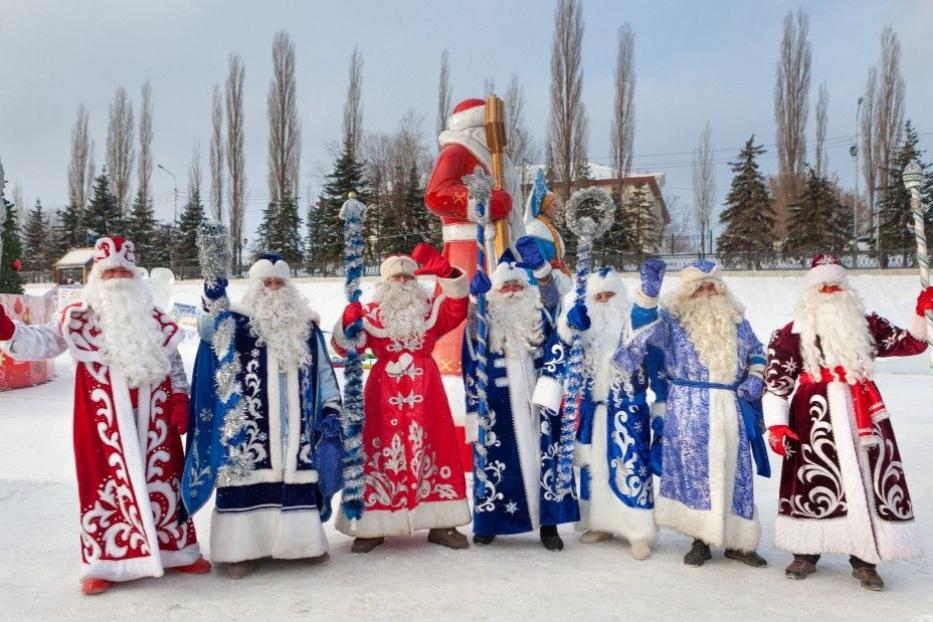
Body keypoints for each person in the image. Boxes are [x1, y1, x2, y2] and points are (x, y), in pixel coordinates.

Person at [0, 236, 208, 595]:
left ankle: (178, 553)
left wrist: (180, 398)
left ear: (135, 277)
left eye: (123, 272)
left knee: (166, 483)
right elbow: (40, 343)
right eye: (109, 273)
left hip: (155, 422)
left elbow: (173, 362)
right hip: (102, 425)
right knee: (104, 487)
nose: (117, 279)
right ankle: (106, 563)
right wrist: (8, 332)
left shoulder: (156, 318)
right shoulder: (77, 318)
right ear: (96, 277)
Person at [763, 254, 932, 591]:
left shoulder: (867, 323)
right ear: (811, 292)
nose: (830, 290)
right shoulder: (789, 333)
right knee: (813, 479)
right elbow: (775, 385)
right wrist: (777, 426)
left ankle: (866, 558)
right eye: (823, 285)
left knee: (869, 480)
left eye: (836, 284)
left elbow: (912, 343)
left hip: (864, 413)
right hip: (813, 415)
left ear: (845, 288)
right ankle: (806, 551)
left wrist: (923, 312)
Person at [182, 253, 343, 579]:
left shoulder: (306, 328)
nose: (272, 288)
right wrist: (212, 298)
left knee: (295, 479)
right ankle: (241, 552)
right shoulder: (237, 324)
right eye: (266, 282)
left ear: (288, 286)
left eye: (278, 282)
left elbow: (324, 373)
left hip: (295, 431)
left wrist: (331, 408)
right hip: (247, 428)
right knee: (246, 483)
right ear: (255, 286)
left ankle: (303, 545)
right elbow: (207, 329)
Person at [612, 259, 770, 568]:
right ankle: (700, 539)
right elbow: (638, 339)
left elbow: (757, 350)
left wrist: (755, 376)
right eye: (699, 287)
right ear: (687, 292)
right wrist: (647, 296)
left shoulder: (737, 319)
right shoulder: (672, 322)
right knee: (696, 473)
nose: (707, 292)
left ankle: (739, 542)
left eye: (712, 286)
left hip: (730, 406)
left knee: (736, 474)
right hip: (688, 407)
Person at [332, 244, 471, 552]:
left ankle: (442, 523)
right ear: (384, 283)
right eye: (396, 279)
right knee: (376, 451)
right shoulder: (369, 313)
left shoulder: (431, 309)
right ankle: (371, 526)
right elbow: (345, 349)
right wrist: (346, 322)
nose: (403, 283)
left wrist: (448, 275)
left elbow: (458, 307)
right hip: (382, 393)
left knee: (436, 446)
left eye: (408, 278)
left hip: (427, 393)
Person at [534, 264, 666, 559]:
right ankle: (600, 523)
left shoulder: (634, 324)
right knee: (595, 468)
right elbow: (559, 349)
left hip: (629, 411)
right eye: (599, 297)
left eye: (610, 295)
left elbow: (656, 360)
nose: (605, 301)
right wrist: (568, 326)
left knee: (632, 467)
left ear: (620, 296)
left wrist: (661, 407)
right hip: (595, 410)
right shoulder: (586, 327)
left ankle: (638, 531)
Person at [463, 242, 576, 550]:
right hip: (497, 407)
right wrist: (474, 301)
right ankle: (489, 523)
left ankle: (548, 525)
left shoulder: (539, 313)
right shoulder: (485, 318)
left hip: (538, 403)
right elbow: (470, 356)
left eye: (517, 284)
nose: (512, 290)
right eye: (505, 286)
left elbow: (554, 302)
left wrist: (542, 272)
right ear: (495, 292)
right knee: (496, 466)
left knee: (545, 463)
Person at [522, 169, 573, 296]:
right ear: (544, 206)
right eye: (554, 205)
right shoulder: (536, 231)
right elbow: (535, 264)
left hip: (557, 283)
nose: (558, 208)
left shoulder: (548, 227)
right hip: (543, 288)